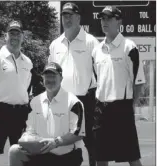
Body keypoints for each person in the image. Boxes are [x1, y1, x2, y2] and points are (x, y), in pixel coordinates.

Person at [0, 20, 40, 166]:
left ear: (22, 36)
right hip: (0, 111)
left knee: (21, 153)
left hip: (21, 114)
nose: (14, 37)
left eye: (18, 34)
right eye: (11, 33)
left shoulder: (28, 62)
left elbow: (28, 88)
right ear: (6, 36)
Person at [92, 6, 145, 166]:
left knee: (132, 157)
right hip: (101, 109)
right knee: (100, 157)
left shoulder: (129, 47)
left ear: (119, 21)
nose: (104, 22)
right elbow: (97, 79)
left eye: (109, 18)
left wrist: (129, 105)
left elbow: (139, 82)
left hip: (122, 108)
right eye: (102, 18)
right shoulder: (96, 50)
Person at [49, 2, 99, 166]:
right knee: (62, 146)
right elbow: (50, 75)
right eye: (64, 15)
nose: (67, 19)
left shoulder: (91, 42)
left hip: (86, 101)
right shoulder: (55, 44)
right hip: (62, 101)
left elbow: (101, 75)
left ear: (78, 17)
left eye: (71, 15)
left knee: (94, 146)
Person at [9, 62, 85, 166]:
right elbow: (30, 130)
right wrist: (27, 141)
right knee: (14, 151)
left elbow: (78, 134)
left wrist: (56, 142)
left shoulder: (73, 102)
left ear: (61, 78)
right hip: (41, 153)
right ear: (42, 79)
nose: (50, 80)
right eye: (47, 76)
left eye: (54, 76)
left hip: (66, 156)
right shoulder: (35, 102)